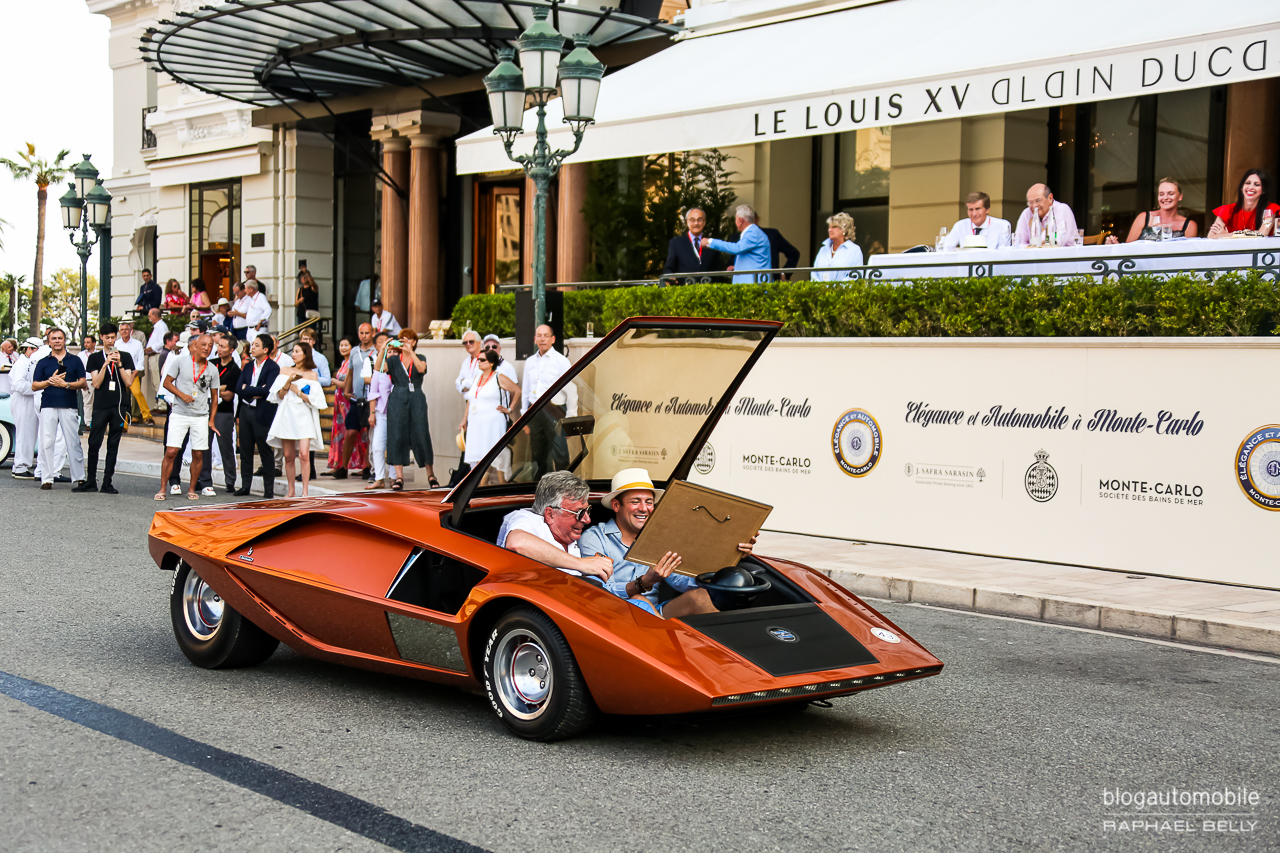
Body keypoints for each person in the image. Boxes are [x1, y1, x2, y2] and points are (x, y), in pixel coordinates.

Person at [578, 468, 748, 619]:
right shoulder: (594, 538)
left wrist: (730, 555)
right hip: (611, 617)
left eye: (649, 502)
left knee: (700, 596)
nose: (644, 508)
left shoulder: (660, 537)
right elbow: (599, 591)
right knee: (637, 600)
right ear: (616, 505)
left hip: (655, 613)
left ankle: (725, 652)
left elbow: (682, 580)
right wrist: (642, 583)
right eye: (635, 501)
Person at [498, 470, 613, 580]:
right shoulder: (527, 519)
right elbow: (517, 543)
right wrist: (580, 564)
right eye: (579, 513)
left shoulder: (568, 535)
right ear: (550, 514)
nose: (587, 519)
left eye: (587, 510)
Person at [156, 333, 219, 501]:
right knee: (171, 451)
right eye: (204, 345)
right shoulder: (180, 362)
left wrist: (211, 420)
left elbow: (214, 398)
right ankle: (163, 488)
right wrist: (182, 395)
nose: (207, 348)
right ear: (195, 346)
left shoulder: (212, 369)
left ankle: (191, 489)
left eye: (210, 346)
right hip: (179, 414)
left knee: (198, 454)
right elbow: (167, 383)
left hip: (200, 416)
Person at [76, 323, 136, 494]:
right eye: (107, 337)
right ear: (101, 338)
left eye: (112, 337)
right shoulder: (94, 358)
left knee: (113, 443)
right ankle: (91, 481)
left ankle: (107, 482)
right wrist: (105, 364)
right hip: (101, 405)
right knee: (94, 442)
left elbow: (129, 381)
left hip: (119, 405)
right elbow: (96, 383)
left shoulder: (125, 356)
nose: (110, 341)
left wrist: (119, 364)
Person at [267, 341, 327, 498]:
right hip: (287, 414)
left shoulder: (312, 375)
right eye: (293, 351)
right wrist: (288, 382)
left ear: (305, 354)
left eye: (297, 351)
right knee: (288, 456)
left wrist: (298, 391)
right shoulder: (285, 370)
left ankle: (305, 490)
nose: (293, 354)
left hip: (304, 415)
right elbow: (278, 396)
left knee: (304, 454)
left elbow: (316, 401)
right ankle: (291, 490)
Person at [31, 328, 88, 490]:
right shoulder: (43, 362)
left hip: (69, 405)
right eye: (54, 338)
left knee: (73, 442)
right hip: (48, 405)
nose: (57, 341)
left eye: (60, 338)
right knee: (46, 442)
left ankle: (79, 477)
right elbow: (34, 385)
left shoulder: (75, 360)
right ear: (49, 342)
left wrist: (67, 385)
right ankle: (47, 478)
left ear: (64, 340)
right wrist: (49, 382)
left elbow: (83, 383)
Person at [382, 328, 437, 490]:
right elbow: (379, 369)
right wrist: (383, 350)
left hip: (416, 397)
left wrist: (410, 352)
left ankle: (431, 474)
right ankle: (399, 477)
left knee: (421, 433)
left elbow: (421, 369)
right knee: (397, 434)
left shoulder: (420, 357)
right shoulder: (393, 360)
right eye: (402, 339)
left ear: (414, 342)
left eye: (409, 339)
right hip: (398, 397)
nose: (405, 341)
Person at [520, 324, 573, 479]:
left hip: (555, 410)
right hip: (534, 411)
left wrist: (569, 421)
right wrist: (524, 417)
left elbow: (570, 391)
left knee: (561, 454)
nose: (542, 339)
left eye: (546, 335)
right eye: (539, 335)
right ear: (535, 339)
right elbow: (525, 390)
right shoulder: (530, 362)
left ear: (553, 339)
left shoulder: (561, 361)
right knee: (538, 455)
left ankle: (567, 490)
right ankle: (540, 490)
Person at [461, 349, 521, 485]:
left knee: (495, 453)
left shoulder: (498, 377)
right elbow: (471, 400)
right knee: (481, 455)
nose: (479, 362)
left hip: (493, 422)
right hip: (477, 422)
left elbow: (517, 391)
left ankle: (502, 485)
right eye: (478, 359)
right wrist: (465, 419)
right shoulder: (477, 377)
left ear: (492, 363)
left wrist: (510, 409)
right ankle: (483, 485)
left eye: (482, 360)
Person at [233, 333, 280, 498]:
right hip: (246, 410)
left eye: (256, 345)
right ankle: (245, 485)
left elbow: (267, 391)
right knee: (245, 449)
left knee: (265, 450)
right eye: (252, 345)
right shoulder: (247, 366)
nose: (252, 348)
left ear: (265, 349)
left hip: (262, 412)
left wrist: (249, 389)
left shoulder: (273, 367)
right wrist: (252, 391)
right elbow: (239, 389)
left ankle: (268, 490)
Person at [330, 323, 375, 479]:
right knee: (350, 432)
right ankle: (343, 467)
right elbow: (350, 372)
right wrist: (347, 390)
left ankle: (368, 467)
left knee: (369, 434)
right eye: (361, 333)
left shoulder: (376, 352)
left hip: (371, 399)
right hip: (356, 399)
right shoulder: (355, 352)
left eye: (367, 333)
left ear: (372, 333)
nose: (364, 336)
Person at [703, 204, 771, 283]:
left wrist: (710, 242)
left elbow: (737, 248)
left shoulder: (753, 233)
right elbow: (752, 257)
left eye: (735, 219)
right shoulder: (753, 232)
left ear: (741, 221)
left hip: (755, 286)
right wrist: (738, 267)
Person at [8, 337, 43, 479]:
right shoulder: (23, 363)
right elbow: (18, 385)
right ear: (30, 349)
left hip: (28, 399)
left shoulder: (27, 362)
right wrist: (38, 388)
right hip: (23, 400)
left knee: (29, 434)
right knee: (25, 434)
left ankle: (21, 465)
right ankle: (20, 467)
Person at [1208, 169, 1278, 238]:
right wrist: (1236, 235)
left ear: (1263, 190)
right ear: (1242, 187)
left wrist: (1228, 235)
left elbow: (1262, 234)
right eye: (1247, 183)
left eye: (1257, 184)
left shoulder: (1270, 209)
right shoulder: (1227, 210)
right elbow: (1211, 236)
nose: (1251, 187)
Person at [211, 335, 241, 494]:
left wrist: (214, 389)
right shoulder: (212, 364)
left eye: (223, 346)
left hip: (224, 412)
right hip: (206, 410)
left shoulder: (234, 370)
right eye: (218, 345)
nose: (219, 349)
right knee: (203, 446)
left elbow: (229, 394)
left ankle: (230, 480)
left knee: (225, 446)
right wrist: (219, 388)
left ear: (231, 350)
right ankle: (203, 480)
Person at [1014, 183, 1081, 248]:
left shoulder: (1062, 209)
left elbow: (1056, 242)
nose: (1034, 206)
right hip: (1036, 257)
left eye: (1038, 200)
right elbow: (1018, 243)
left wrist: (1037, 226)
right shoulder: (1027, 213)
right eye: (1030, 202)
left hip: (1065, 257)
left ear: (1050, 198)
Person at [365, 333, 393, 490]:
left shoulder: (400, 369)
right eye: (388, 351)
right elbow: (373, 392)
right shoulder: (378, 371)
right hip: (381, 413)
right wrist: (372, 413)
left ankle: (395, 477)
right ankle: (379, 478)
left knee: (395, 446)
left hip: (396, 413)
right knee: (377, 446)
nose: (391, 353)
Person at [662, 207, 721, 280]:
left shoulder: (711, 243)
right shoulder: (676, 243)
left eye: (699, 220)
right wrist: (669, 276)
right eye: (693, 220)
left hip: (708, 289)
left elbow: (718, 271)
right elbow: (668, 268)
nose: (696, 223)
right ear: (687, 222)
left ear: (704, 222)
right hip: (685, 289)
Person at [943, 191, 1013, 250]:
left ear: (987, 209)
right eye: (971, 209)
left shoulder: (1002, 226)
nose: (974, 214)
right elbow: (947, 249)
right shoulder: (960, 226)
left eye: (977, 209)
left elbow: (1004, 253)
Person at [116, 320, 151, 424]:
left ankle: (147, 416)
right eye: (122, 330)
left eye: (126, 329)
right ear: (119, 331)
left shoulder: (137, 344)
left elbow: (140, 362)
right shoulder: (116, 344)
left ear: (130, 330)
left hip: (133, 373)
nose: (124, 331)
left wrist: (132, 375)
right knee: (122, 397)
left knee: (137, 393)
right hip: (120, 373)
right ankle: (124, 423)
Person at [811, 212, 865, 281]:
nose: (829, 230)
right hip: (820, 291)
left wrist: (836, 289)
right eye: (829, 227)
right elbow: (814, 274)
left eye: (834, 227)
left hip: (843, 291)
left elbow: (855, 276)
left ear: (844, 230)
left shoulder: (854, 250)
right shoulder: (823, 249)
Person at [454, 329, 482, 397]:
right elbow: (458, 383)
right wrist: (468, 384)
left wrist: (465, 382)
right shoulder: (466, 362)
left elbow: (481, 381)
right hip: (469, 402)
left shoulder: (486, 359)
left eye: (471, 342)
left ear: (479, 342)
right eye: (465, 342)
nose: (468, 344)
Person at [78, 333, 97, 423]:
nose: (86, 344)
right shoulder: (81, 355)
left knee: (98, 403)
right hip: (87, 381)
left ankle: (98, 421)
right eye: (85, 342)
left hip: (97, 381)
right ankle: (88, 422)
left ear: (94, 343)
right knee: (87, 403)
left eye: (88, 342)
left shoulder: (99, 354)